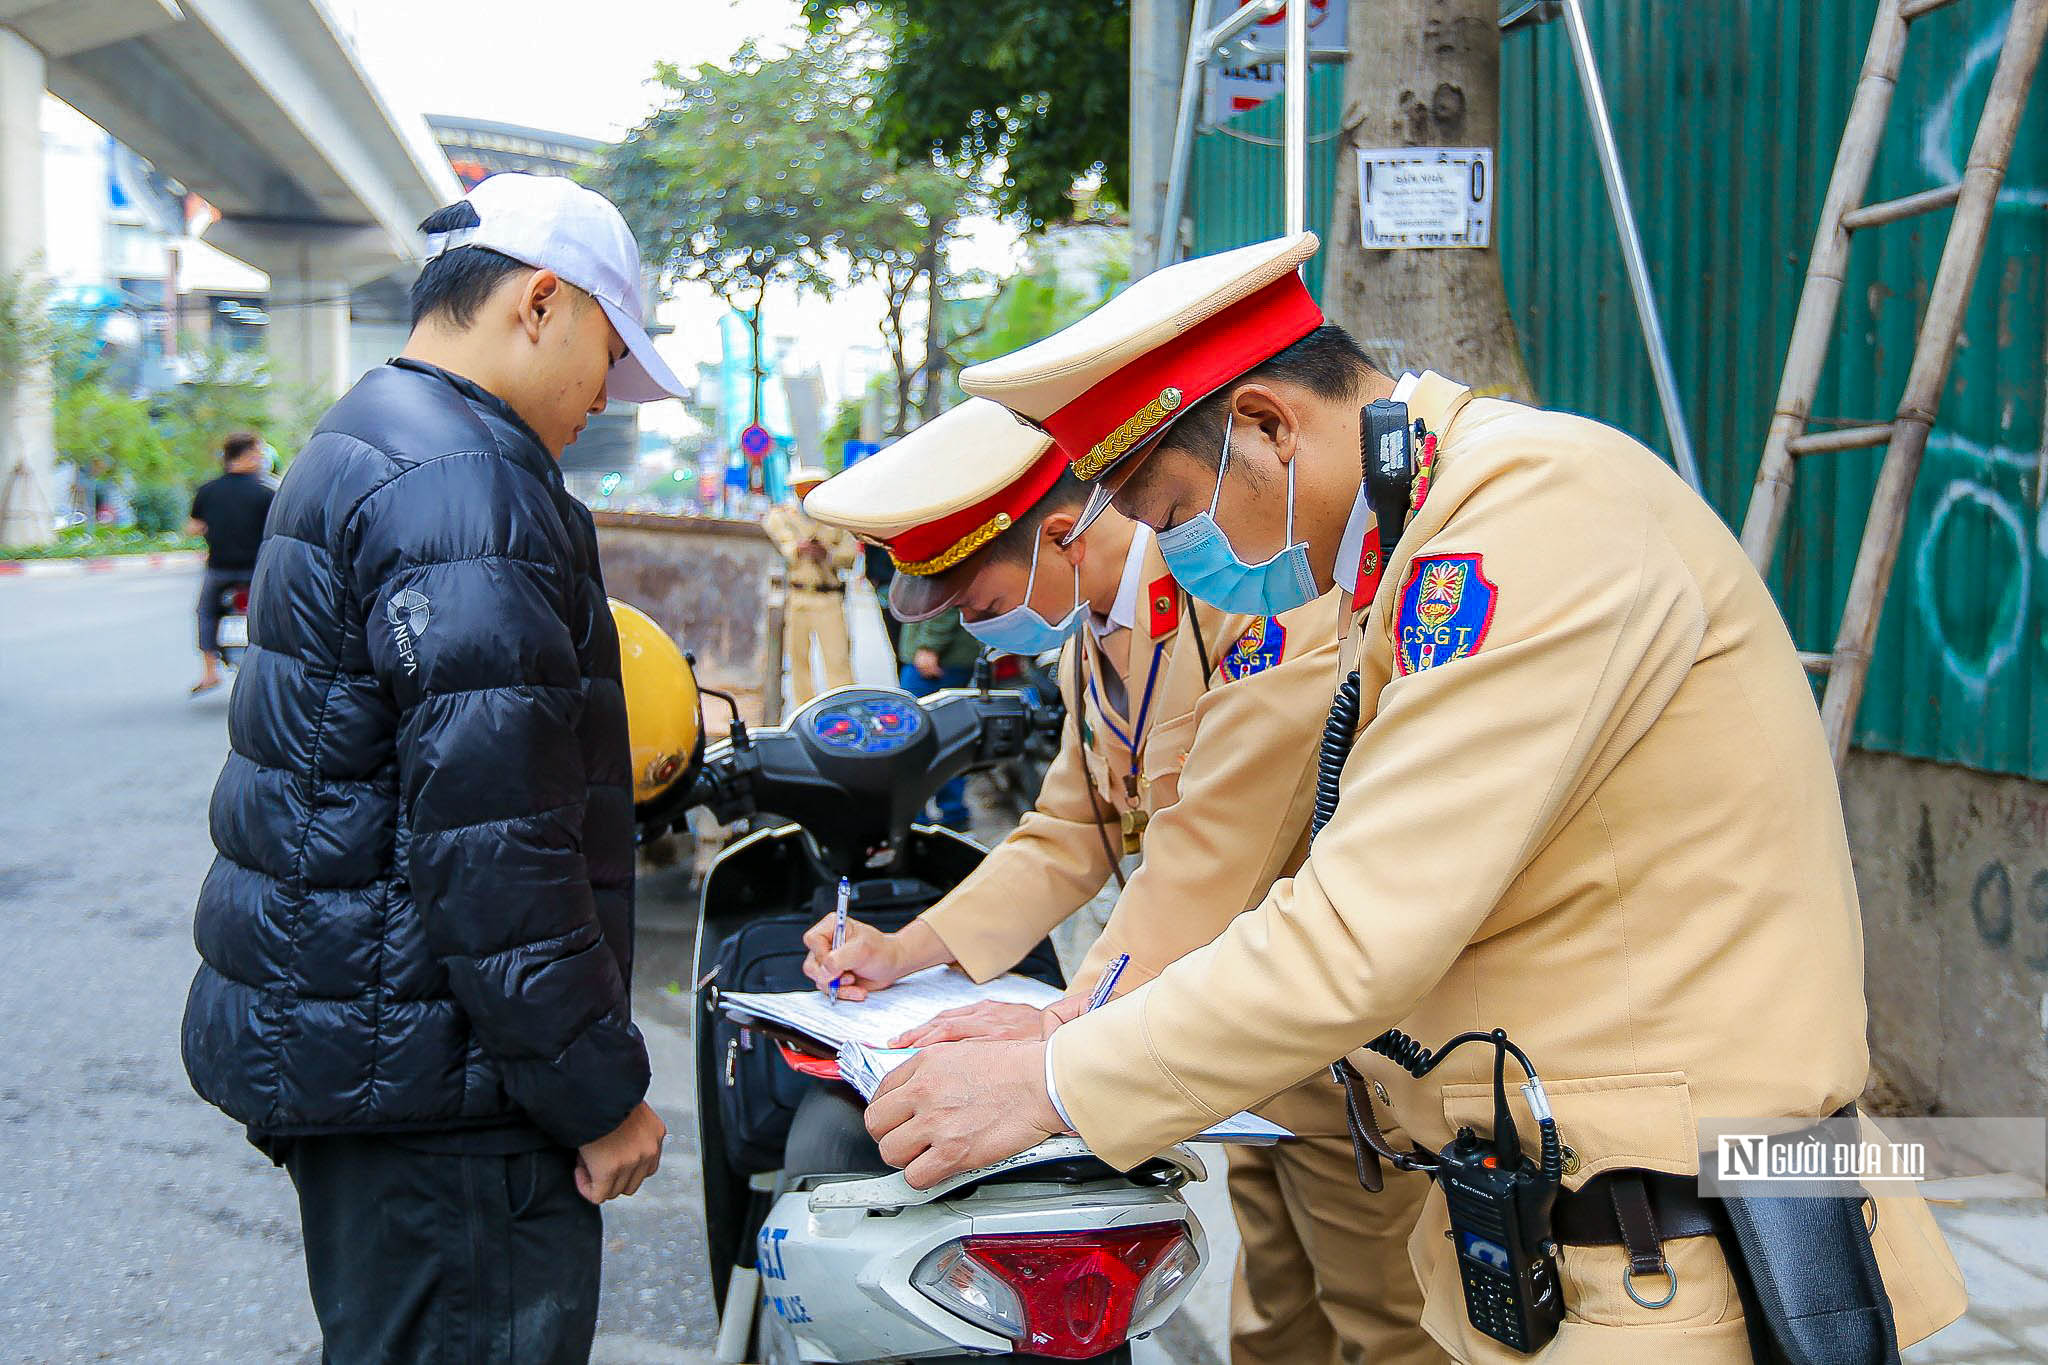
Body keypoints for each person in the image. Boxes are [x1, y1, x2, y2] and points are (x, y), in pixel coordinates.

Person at [862, 233, 1969, 1360]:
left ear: (1266, 426)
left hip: (1677, 1249)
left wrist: (1054, 1077)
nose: (1170, 552)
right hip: (1572, 1231)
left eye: (1172, 511)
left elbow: (1358, 925)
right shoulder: (1413, 545)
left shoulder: (1528, 511)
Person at [798, 396, 1438, 1365]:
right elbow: (1069, 829)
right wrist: (902, 949)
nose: (986, 632)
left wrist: (1058, 1038)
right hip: (1235, 1042)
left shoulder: (1251, 602)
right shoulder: (1089, 645)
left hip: (1344, 1043)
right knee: (1273, 1314)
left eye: (981, 602)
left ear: (1060, 536)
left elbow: (1208, 847)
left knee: (1384, 1323)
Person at [180, 173, 686, 1363]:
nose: (601, 399)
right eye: (609, 357)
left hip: (373, 1052)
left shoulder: (367, 436)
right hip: (442, 1090)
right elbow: (494, 843)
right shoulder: (467, 484)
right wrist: (596, 1092)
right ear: (541, 303)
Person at [185, 431, 275, 693]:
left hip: (220, 570)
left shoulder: (208, 491)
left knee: (205, 612)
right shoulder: (267, 490)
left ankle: (210, 670)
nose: (260, 457)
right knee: (274, 614)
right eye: (258, 452)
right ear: (246, 455)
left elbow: (194, 527)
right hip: (257, 571)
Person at [764, 464, 860, 705]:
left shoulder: (836, 519)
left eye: (812, 488)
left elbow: (850, 555)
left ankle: (844, 706)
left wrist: (827, 553)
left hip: (828, 596)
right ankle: (804, 708)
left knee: (837, 658)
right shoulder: (783, 516)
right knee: (798, 660)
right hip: (797, 595)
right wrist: (798, 548)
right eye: (802, 488)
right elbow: (776, 544)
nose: (806, 493)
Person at [893, 603, 980, 830]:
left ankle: (921, 816)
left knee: (916, 737)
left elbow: (944, 598)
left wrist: (930, 645)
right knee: (946, 734)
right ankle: (950, 812)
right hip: (946, 654)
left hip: (940, 656)